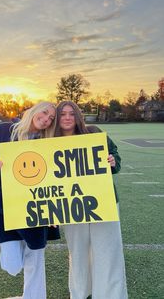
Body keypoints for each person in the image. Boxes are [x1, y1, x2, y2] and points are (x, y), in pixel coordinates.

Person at [0, 101, 60, 299]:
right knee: (12, 265)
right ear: (34, 110)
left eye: (51, 118)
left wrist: (54, 209)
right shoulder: (4, 130)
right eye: (45, 112)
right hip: (6, 208)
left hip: (36, 207)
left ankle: (34, 296)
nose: (46, 119)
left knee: (36, 256)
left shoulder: (47, 141)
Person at [54, 101, 128, 299]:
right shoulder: (50, 141)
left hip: (102, 201)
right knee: (77, 253)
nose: (68, 118)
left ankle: (110, 294)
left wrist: (112, 161)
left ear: (78, 116)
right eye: (63, 114)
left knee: (107, 250)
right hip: (70, 205)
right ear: (57, 118)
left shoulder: (94, 133)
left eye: (72, 113)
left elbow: (116, 157)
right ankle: (79, 293)